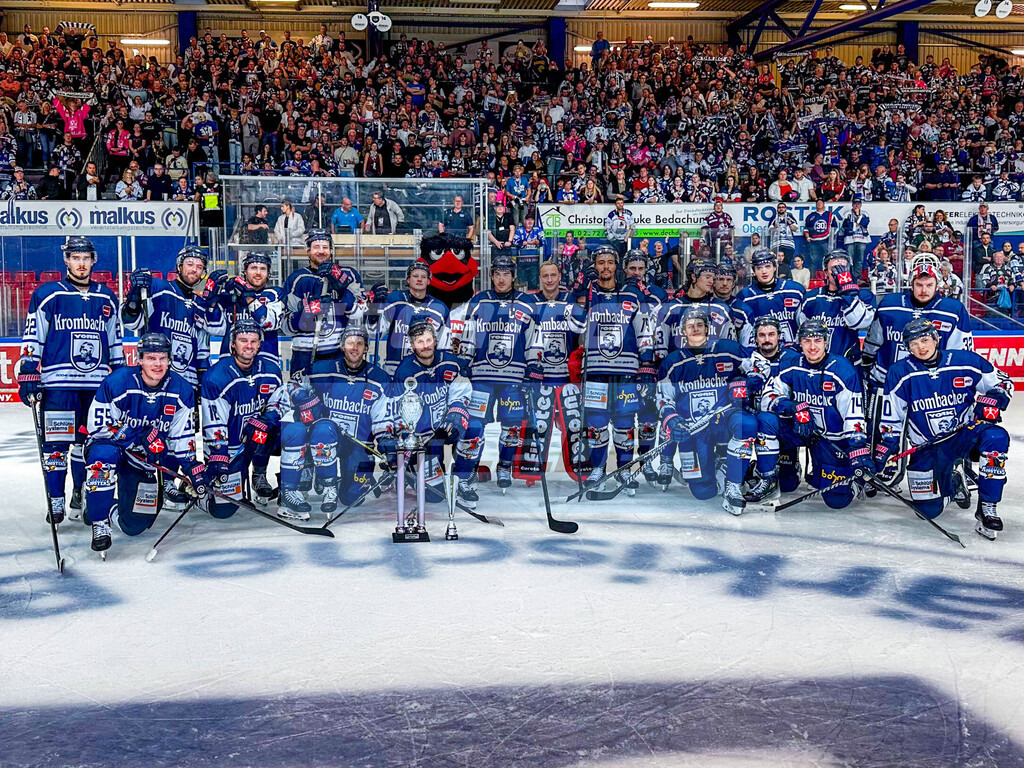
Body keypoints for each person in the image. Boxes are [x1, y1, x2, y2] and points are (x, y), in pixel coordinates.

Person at [16, 237, 123, 524]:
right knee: (56, 446)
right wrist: (28, 370)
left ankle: (80, 491)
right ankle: (56, 500)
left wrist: (122, 376)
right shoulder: (48, 294)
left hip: (97, 389)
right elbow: (33, 335)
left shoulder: (106, 297)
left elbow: (115, 342)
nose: (81, 263)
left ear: (94, 260)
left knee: (87, 445)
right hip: (59, 385)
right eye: (75, 258)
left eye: (86, 258)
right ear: (66, 260)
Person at [879, 318, 1012, 540]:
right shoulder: (899, 372)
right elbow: (891, 416)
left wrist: (993, 400)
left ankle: (988, 507)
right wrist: (886, 446)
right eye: (913, 343)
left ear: (936, 338)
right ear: (907, 348)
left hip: (964, 435)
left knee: (996, 438)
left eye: (924, 340)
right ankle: (953, 482)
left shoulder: (965, 361)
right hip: (928, 447)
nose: (921, 347)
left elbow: (1004, 383)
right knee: (927, 511)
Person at [83, 333, 205, 554]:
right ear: (139, 359)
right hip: (114, 448)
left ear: (169, 360)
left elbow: (181, 440)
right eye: (151, 358)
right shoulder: (117, 382)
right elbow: (97, 429)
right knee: (103, 457)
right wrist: (137, 434)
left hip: (144, 460)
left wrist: (191, 470)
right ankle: (99, 522)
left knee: (136, 525)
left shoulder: (182, 390)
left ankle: (98, 501)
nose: (157, 364)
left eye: (162, 358)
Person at [274, 326, 390, 517]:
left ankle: (330, 476)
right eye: (350, 343)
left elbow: (384, 417)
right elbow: (293, 383)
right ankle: (323, 476)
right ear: (342, 346)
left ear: (366, 348)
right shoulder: (323, 369)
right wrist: (302, 396)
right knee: (318, 429)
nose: (354, 348)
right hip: (324, 438)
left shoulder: (380, 378)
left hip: (358, 445)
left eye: (360, 344)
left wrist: (386, 441)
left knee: (354, 498)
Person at [565, 244, 655, 491]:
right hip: (595, 369)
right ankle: (598, 469)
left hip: (626, 370)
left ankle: (625, 471)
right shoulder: (588, 295)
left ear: (617, 266)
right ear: (595, 266)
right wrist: (582, 296)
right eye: (601, 262)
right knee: (596, 422)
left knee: (625, 423)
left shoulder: (631, 295)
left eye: (610, 262)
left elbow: (644, 331)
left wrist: (646, 364)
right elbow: (574, 327)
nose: (605, 267)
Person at [758, 318, 873, 510]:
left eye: (818, 340)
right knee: (766, 421)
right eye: (807, 341)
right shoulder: (791, 363)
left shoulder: (842, 369)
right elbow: (767, 398)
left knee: (836, 500)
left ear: (826, 342)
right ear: (799, 342)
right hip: (801, 431)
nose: (812, 347)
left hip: (831, 440)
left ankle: (853, 482)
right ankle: (770, 477)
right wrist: (792, 406)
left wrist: (857, 448)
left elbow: (854, 415)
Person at [656, 307, 756, 513]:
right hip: (693, 430)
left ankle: (734, 485)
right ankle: (721, 470)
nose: (695, 329)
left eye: (699, 325)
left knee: (745, 424)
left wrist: (744, 381)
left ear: (708, 328)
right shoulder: (672, 362)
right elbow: (663, 399)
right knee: (703, 492)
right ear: (683, 330)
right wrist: (673, 421)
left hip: (722, 422)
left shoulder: (727, 349)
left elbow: (757, 366)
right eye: (690, 326)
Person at [459, 254, 537, 492]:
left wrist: (533, 366)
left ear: (514, 277)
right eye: (497, 274)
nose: (501, 279)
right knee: (474, 425)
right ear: (491, 275)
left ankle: (504, 465)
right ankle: (470, 467)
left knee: (512, 426)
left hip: (514, 377)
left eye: (506, 274)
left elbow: (534, 338)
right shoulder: (479, 300)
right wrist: (463, 360)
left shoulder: (526, 303)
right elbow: (469, 334)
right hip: (481, 376)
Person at [387, 319, 477, 508]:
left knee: (474, 430)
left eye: (428, 340)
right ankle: (411, 470)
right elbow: (400, 411)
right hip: (423, 438)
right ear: (412, 345)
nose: (425, 346)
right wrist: (406, 443)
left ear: (435, 341)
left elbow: (460, 392)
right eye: (420, 342)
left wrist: (455, 414)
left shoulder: (451, 363)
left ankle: (462, 479)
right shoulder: (405, 371)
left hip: (445, 427)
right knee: (435, 496)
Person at [201, 319, 283, 513]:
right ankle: (200, 494)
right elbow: (214, 423)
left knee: (293, 432)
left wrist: (267, 419)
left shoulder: (271, 370)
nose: (249, 346)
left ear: (260, 344)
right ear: (232, 344)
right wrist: (219, 452)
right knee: (223, 510)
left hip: (254, 439)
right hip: (228, 449)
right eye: (243, 340)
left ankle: (284, 487)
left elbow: (279, 403)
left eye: (254, 341)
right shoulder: (216, 377)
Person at [122, 245, 223, 391]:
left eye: (199, 266)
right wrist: (135, 296)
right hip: (157, 378)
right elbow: (131, 322)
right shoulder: (159, 288)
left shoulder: (200, 304)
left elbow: (202, 350)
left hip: (188, 383)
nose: (194, 269)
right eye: (190, 264)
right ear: (179, 266)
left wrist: (203, 382)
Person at [522, 260, 586, 481]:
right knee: (538, 424)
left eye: (553, 275)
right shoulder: (530, 303)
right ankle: (532, 471)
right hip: (540, 376)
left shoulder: (570, 301)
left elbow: (582, 334)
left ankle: (579, 470)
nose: (549, 280)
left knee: (574, 425)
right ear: (540, 278)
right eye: (545, 276)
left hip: (567, 376)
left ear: (560, 276)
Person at [281, 228, 365, 376]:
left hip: (339, 355)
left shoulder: (348, 275)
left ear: (331, 250)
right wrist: (306, 313)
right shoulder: (297, 280)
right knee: (302, 398)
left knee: (338, 398)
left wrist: (342, 292)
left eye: (325, 247)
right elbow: (286, 327)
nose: (321, 251)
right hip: (304, 356)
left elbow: (359, 314)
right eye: (316, 247)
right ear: (308, 251)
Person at [622, 250, 670, 485]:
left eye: (641, 269)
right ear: (625, 269)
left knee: (649, 418)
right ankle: (624, 464)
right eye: (633, 269)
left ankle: (647, 461)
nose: (637, 273)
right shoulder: (619, 293)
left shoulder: (659, 294)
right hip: (627, 363)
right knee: (624, 417)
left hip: (653, 364)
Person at [798, 250, 876, 364]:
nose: (839, 272)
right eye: (834, 268)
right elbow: (802, 331)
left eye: (843, 268)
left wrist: (848, 292)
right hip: (817, 364)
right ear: (826, 273)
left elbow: (859, 322)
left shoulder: (863, 295)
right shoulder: (811, 298)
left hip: (848, 364)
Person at [374, 262, 450, 376]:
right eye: (415, 276)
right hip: (395, 368)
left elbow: (444, 346)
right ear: (408, 280)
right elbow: (375, 331)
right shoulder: (394, 300)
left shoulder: (440, 309)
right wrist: (374, 309)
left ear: (428, 281)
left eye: (423, 277)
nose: (419, 279)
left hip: (425, 370)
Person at [216, 252, 286, 366]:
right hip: (230, 361)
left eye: (263, 269)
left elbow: (268, 323)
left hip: (265, 361)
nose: (258, 273)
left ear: (268, 273)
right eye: (253, 268)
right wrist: (213, 298)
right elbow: (214, 328)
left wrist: (249, 298)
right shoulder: (230, 295)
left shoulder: (274, 294)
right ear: (245, 271)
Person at [733, 249, 806, 349]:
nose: (764, 271)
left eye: (768, 266)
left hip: (791, 354)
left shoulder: (795, 290)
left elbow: (804, 326)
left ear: (775, 267)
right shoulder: (744, 296)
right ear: (754, 271)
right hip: (759, 355)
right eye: (759, 268)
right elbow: (743, 335)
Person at [803, 199, 839, 272]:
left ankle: (829, 277)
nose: (819, 204)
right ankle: (813, 278)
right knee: (813, 261)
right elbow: (806, 229)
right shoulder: (810, 216)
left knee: (828, 259)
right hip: (813, 242)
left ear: (824, 204)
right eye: (818, 203)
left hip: (826, 241)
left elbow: (836, 228)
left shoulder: (830, 215)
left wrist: (831, 238)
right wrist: (807, 237)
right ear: (816, 205)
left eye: (821, 203)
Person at [840, 200, 871, 278]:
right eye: (855, 204)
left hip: (862, 239)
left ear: (860, 205)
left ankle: (857, 277)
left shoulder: (865, 213)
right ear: (852, 205)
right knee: (849, 260)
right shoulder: (847, 213)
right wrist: (857, 223)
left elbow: (865, 223)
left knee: (859, 260)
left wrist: (857, 217)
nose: (856, 206)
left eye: (858, 204)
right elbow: (846, 225)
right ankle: (849, 277)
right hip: (850, 240)